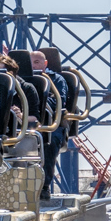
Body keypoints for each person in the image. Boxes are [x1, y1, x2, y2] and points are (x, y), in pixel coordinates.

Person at [31, 50, 70, 200]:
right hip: (24, 123)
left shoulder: (57, 79)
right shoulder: (20, 79)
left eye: (37, 62)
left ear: (45, 64)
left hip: (50, 123)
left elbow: (58, 102)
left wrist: (36, 99)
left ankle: (44, 186)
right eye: (31, 62)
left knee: (49, 140)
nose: (33, 66)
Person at [0, 52, 39, 130]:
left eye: (0, 73)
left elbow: (35, 117)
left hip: (19, 131)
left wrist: (20, 115)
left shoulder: (27, 89)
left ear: (10, 73)